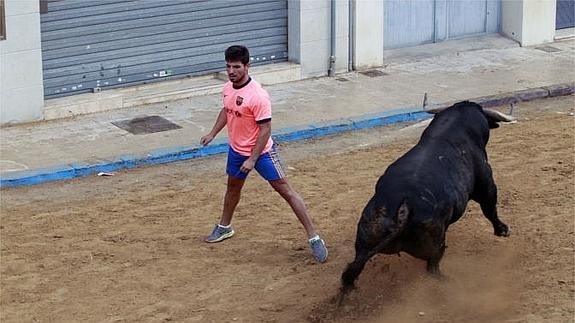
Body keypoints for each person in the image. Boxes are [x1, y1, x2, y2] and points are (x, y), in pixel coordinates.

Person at [200, 45, 328, 263]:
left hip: (262, 154)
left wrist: (252, 159)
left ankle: (314, 237)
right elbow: (227, 110)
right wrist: (213, 133)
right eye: (228, 66)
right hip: (236, 151)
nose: (231, 71)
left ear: (247, 66)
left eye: (236, 67)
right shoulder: (227, 89)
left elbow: (265, 130)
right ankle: (224, 227)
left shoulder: (258, 96)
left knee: (286, 191)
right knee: (233, 187)